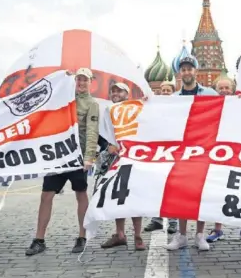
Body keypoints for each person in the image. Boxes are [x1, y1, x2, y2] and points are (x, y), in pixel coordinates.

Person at [25, 68, 99, 256]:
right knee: (46, 195)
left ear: (91, 82)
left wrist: (89, 156)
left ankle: (82, 236)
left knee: (80, 194)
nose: (81, 83)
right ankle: (39, 239)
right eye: (78, 80)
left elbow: (92, 131)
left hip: (77, 157)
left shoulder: (92, 104)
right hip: (57, 156)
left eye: (85, 80)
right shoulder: (62, 99)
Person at [165, 56, 217, 252]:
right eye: (183, 69)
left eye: (189, 69)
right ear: (180, 73)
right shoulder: (174, 99)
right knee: (182, 194)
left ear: (196, 71)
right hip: (183, 151)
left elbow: (226, 111)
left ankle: (200, 235)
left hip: (205, 149)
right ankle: (182, 235)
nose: (186, 72)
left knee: (202, 193)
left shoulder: (210, 93)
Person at [205, 76, 241, 243]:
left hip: (239, 153)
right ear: (215, 90)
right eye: (221, 88)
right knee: (219, 192)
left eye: (227, 88)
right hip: (218, 154)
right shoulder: (210, 106)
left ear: (233, 89)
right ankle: (217, 229)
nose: (224, 91)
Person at [101, 82, 146, 251]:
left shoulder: (137, 108)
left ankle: (138, 235)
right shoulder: (107, 111)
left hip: (134, 158)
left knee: (135, 197)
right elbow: (101, 133)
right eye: (113, 91)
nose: (116, 93)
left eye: (119, 91)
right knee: (118, 197)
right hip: (115, 159)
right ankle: (120, 234)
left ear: (127, 94)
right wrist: (108, 145)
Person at [144, 80, 178, 234]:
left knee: (173, 188)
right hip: (158, 152)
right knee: (156, 187)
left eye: (168, 90)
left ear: (174, 92)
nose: (165, 92)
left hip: (174, 152)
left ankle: (173, 221)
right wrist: (144, 102)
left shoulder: (179, 107)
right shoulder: (154, 107)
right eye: (162, 90)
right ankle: (156, 219)